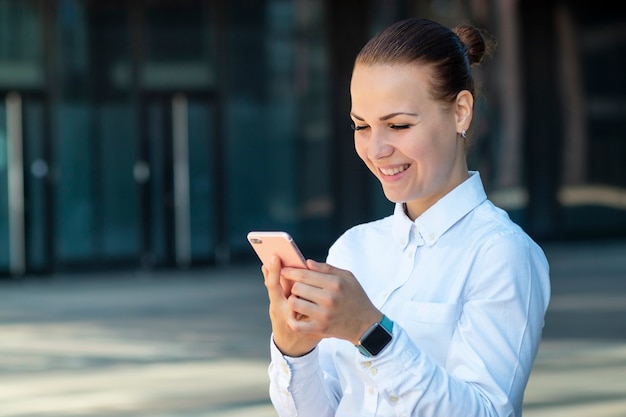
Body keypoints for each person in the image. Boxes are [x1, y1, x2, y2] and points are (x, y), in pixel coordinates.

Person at [262, 17, 550, 417]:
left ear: (461, 112)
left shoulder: (501, 254)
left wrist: (371, 332)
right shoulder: (352, 249)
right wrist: (295, 348)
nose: (376, 149)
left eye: (398, 125)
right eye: (361, 126)